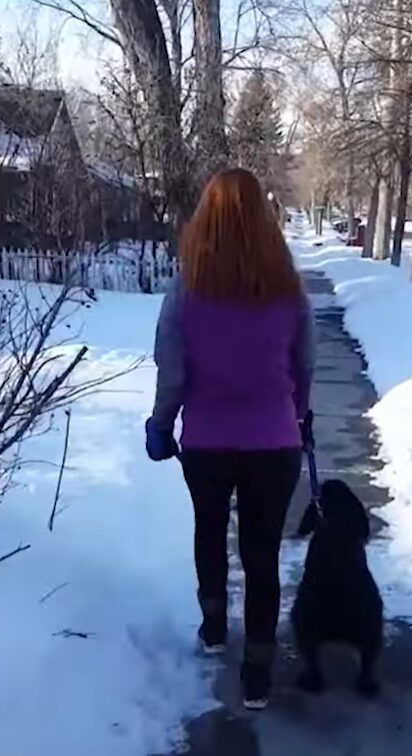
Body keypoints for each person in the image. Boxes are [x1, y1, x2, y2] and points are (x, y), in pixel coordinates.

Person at [145, 169, 315, 711]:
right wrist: (300, 413)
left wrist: (160, 422)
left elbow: (171, 367)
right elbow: (304, 362)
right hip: (275, 441)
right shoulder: (287, 289)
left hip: (208, 441)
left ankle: (215, 625)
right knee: (262, 550)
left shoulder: (188, 287)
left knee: (210, 530)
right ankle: (259, 668)